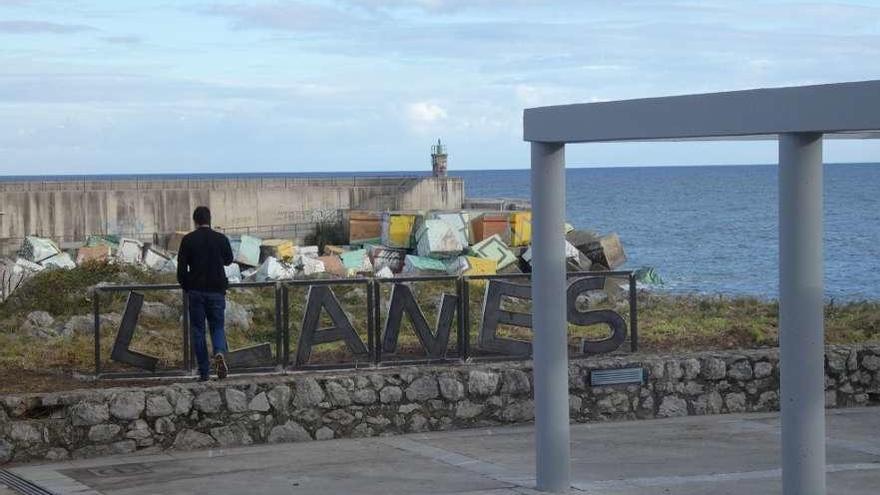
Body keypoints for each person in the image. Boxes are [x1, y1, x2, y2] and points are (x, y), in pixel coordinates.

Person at [176, 206, 234, 381]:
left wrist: (187, 286)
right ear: (210, 220)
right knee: (217, 327)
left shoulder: (188, 240)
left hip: (196, 292)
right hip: (216, 291)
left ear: (195, 221)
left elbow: (181, 269)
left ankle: (203, 371)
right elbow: (229, 260)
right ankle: (218, 352)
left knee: (198, 331)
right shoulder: (221, 239)